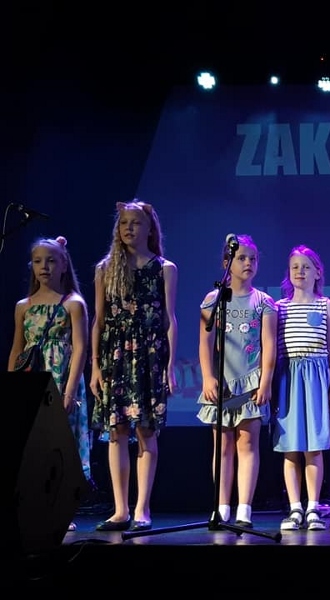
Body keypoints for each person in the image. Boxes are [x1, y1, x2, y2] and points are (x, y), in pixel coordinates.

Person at [90, 200, 178, 532]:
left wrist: (169, 364)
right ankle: (120, 509)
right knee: (116, 432)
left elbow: (169, 320)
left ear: (149, 228)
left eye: (136, 223)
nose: (129, 228)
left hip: (149, 355)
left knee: (146, 431)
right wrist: (95, 366)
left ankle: (142, 508)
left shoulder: (164, 268)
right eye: (124, 222)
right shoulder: (106, 269)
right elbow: (99, 320)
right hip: (115, 357)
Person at [8, 236, 92, 532]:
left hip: (60, 380)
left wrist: (69, 391)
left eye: (51, 260)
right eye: (38, 261)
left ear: (64, 265)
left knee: (61, 444)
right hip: (32, 380)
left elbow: (80, 349)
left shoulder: (73, 304)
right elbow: (17, 349)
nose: (44, 266)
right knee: (33, 445)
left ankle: (60, 509)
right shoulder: (23, 306)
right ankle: (33, 508)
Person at [197, 234, 276, 528]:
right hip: (223, 382)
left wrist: (265, 382)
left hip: (251, 381)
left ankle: (244, 508)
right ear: (227, 263)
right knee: (222, 446)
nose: (248, 263)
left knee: (247, 443)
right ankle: (221, 507)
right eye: (241, 258)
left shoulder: (264, 302)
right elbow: (205, 343)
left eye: (253, 259)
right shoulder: (213, 300)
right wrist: (208, 377)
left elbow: (269, 346)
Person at [272, 245, 330, 531]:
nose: (300, 271)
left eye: (306, 266)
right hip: (288, 376)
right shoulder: (279, 307)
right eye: (295, 267)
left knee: (314, 447)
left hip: (316, 376)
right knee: (290, 447)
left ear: (317, 272)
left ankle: (313, 506)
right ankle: (295, 508)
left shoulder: (325, 305)